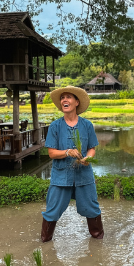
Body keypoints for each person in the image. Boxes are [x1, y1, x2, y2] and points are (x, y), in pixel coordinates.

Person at [42, 86, 102, 242]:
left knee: (92, 207)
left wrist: (87, 158)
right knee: (52, 209)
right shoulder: (55, 126)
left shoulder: (87, 125)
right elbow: (51, 153)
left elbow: (91, 148)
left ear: (76, 102)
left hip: (84, 174)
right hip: (61, 175)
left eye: (68, 97)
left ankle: (98, 239)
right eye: (62, 98)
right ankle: (45, 240)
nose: (64, 100)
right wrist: (67, 152)